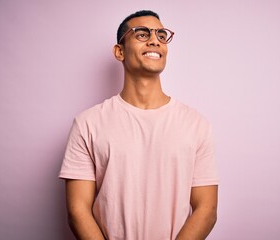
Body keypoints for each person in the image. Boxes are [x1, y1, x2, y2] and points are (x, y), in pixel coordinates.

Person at [59, 10, 219, 240]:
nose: (155, 40)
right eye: (142, 34)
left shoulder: (196, 124)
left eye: (162, 36)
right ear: (119, 51)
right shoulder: (88, 124)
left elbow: (207, 209)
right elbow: (77, 211)